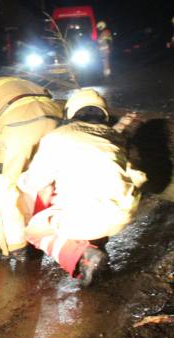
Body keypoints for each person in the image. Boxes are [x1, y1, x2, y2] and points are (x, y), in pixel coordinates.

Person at [17, 88, 146, 286]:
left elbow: (35, 182)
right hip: (121, 216)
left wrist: (19, 179)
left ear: (70, 113)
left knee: (34, 231)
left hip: (85, 218)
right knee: (99, 195)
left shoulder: (57, 137)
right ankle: (97, 251)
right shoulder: (115, 137)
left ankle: (87, 254)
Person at [0, 77, 64, 260]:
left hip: (19, 123)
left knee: (4, 189)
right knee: (35, 183)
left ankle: (13, 247)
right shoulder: (11, 84)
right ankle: (36, 234)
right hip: (54, 118)